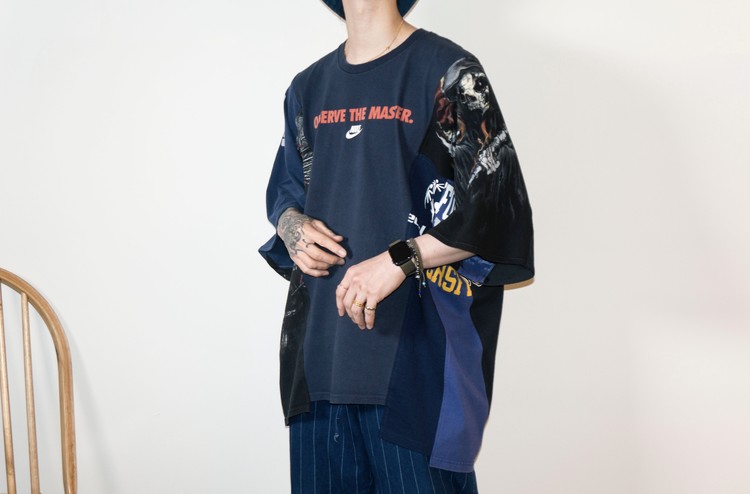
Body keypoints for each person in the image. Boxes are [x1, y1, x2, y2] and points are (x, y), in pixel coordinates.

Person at [259, 0, 534, 491]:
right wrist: (291, 226)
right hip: (319, 369)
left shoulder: (448, 73)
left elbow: (497, 206)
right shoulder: (307, 88)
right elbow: (286, 195)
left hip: (417, 374)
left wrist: (400, 259)